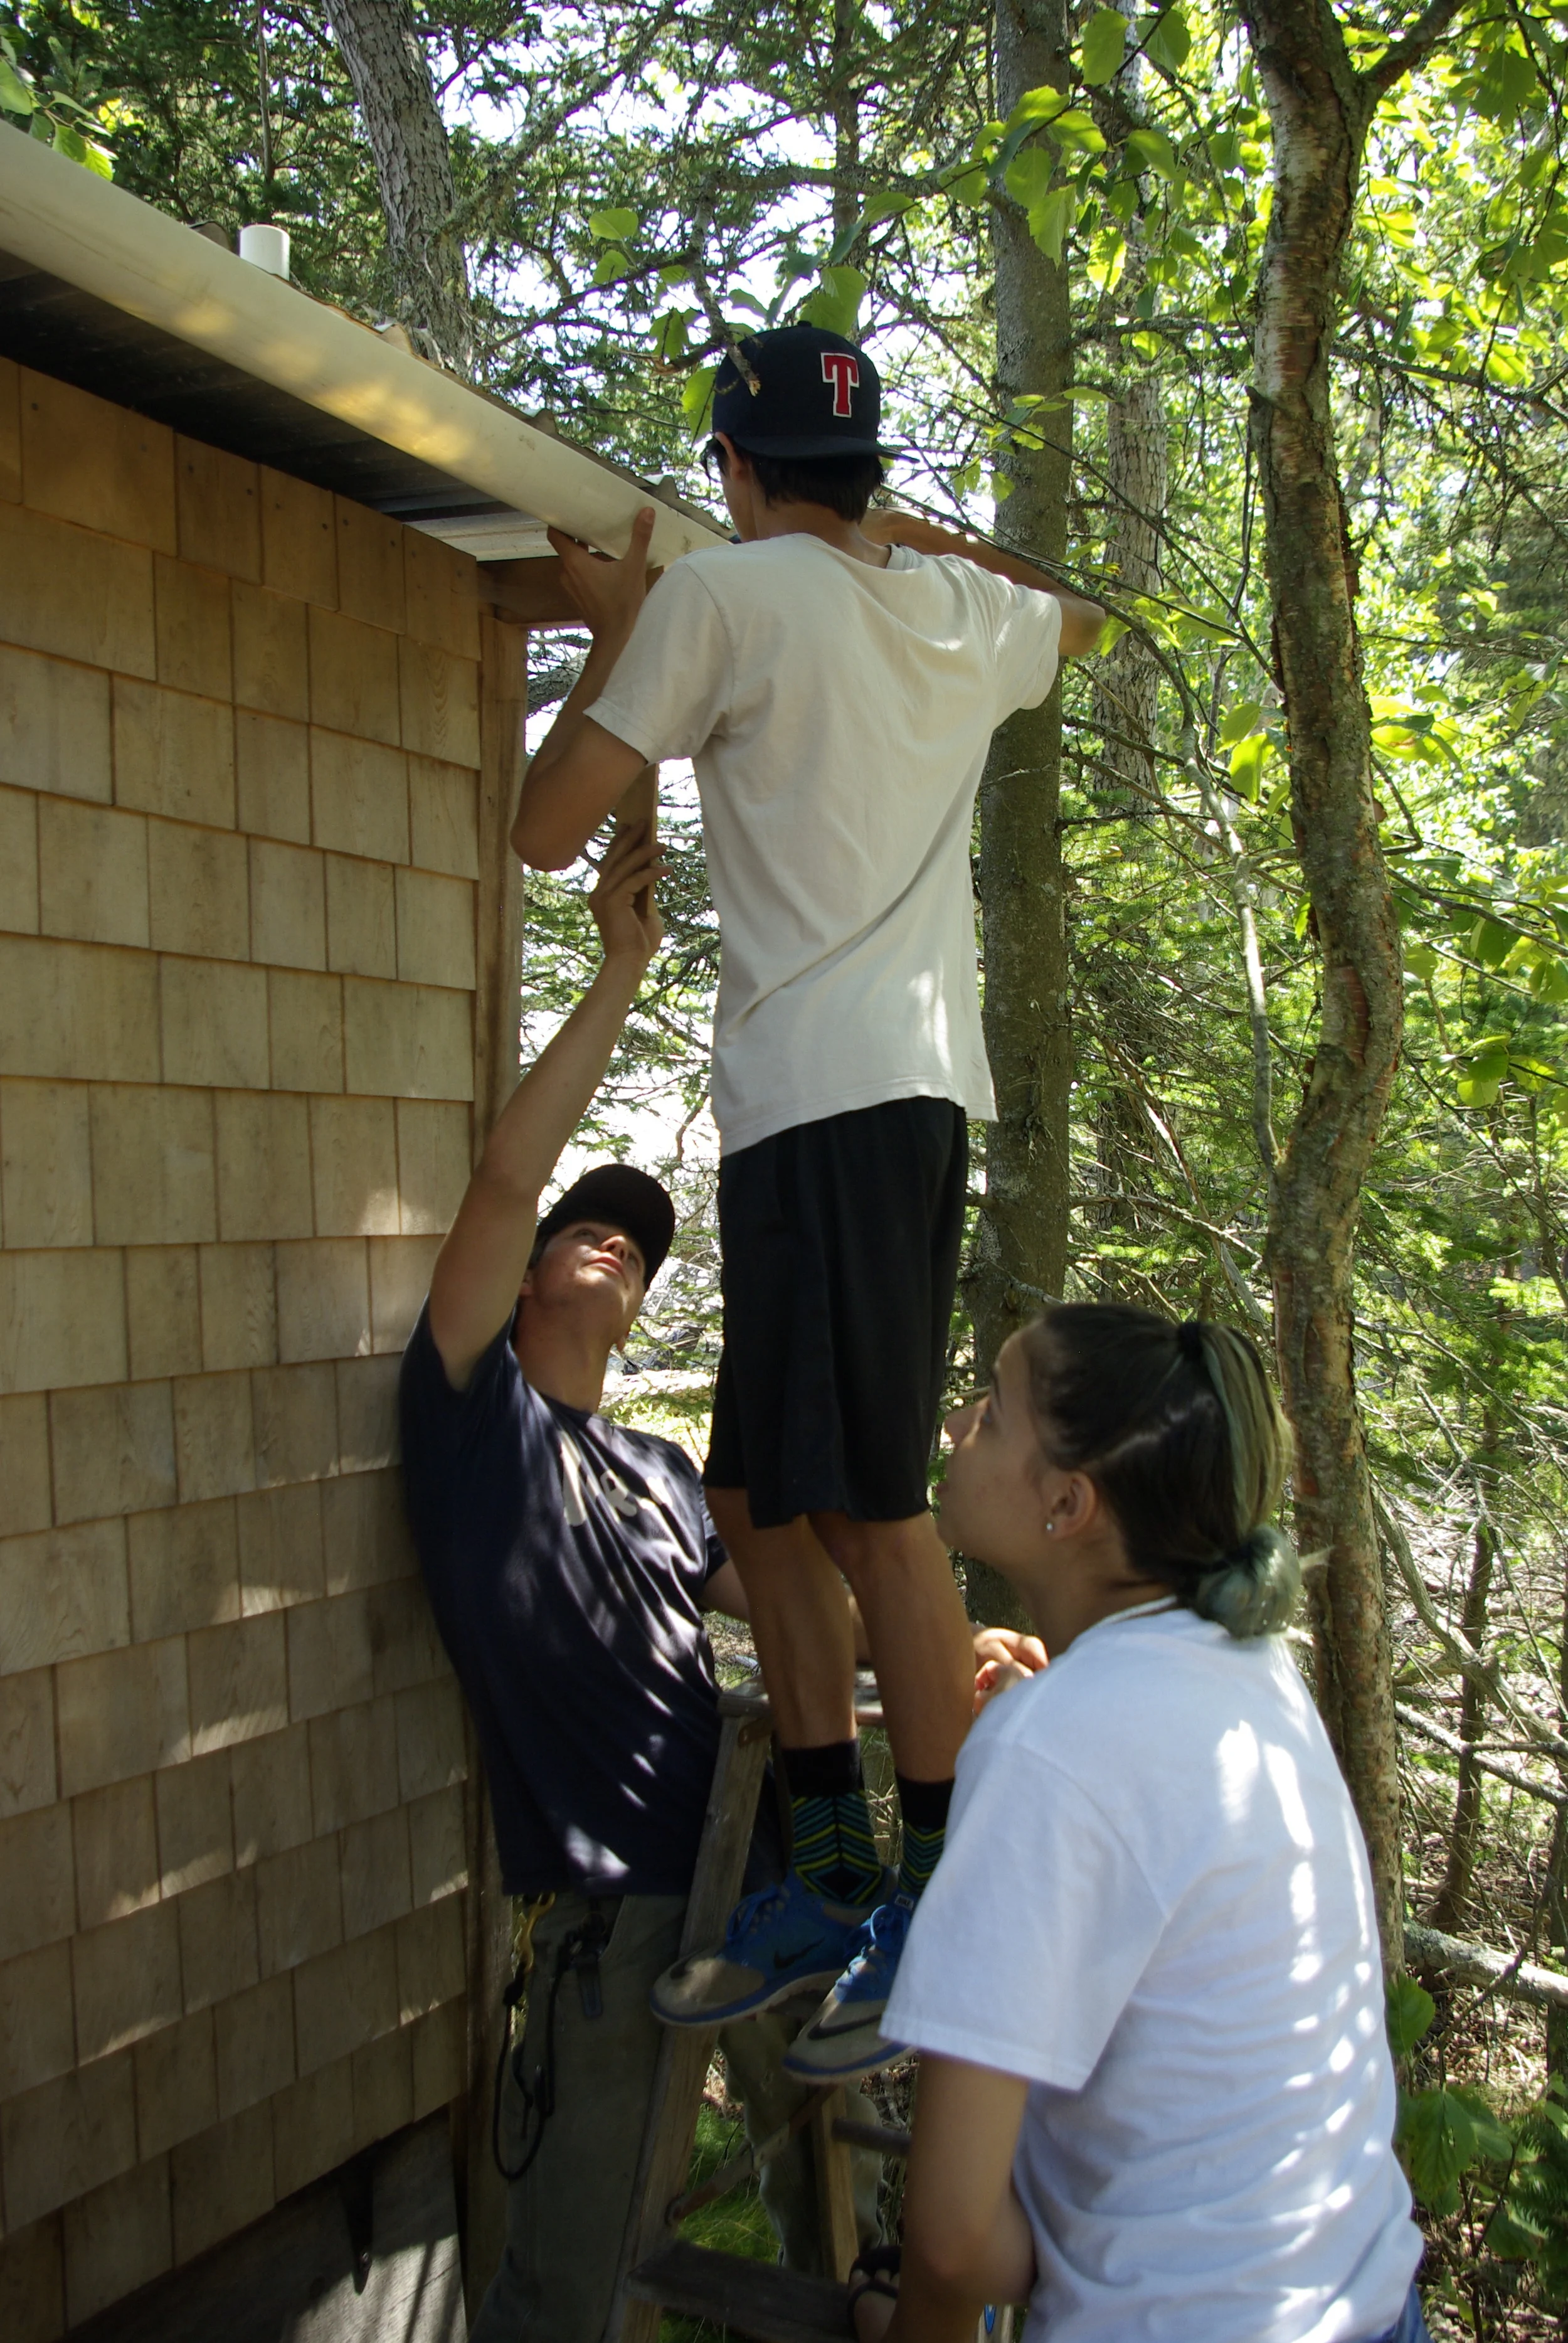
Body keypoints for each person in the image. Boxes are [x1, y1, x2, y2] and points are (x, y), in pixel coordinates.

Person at [510, 322, 1104, 2081]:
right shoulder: (951, 612)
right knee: (762, 1505)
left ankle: (936, 1907)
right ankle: (833, 1877)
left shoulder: (728, 593)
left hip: (833, 1099)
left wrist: (621, 621)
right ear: (871, 476)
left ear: (735, 473)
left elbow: (548, 823)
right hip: (858, 1105)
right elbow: (1074, 614)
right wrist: (903, 542)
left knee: (866, 1514)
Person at [397, 826, 1039, 2339]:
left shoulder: (670, 1474)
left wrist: (951, 1660)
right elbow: (500, 1176)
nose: (617, 1230)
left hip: (763, 1889)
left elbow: (809, 1605)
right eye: (585, 1222)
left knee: (826, 2245)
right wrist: (623, 966)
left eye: (642, 1235)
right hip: (619, 1919)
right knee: (562, 2285)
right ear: (536, 1263)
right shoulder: (468, 1421)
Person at [854, 1302, 1428, 2343]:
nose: (955, 1424)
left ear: (1067, 1504)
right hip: (1368, 2301)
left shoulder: (1053, 1747)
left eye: (991, 1412)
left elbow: (946, 2242)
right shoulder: (1248, 1670)